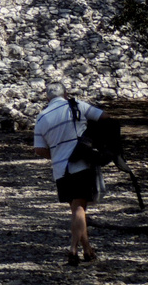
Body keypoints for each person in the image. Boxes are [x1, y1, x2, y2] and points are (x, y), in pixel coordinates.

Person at [34, 81, 108, 265]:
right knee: (80, 208)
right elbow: (105, 117)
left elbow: (39, 149)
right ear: (65, 93)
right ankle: (73, 250)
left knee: (76, 209)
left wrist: (57, 154)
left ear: (47, 97)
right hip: (80, 163)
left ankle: (88, 250)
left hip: (60, 169)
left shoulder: (42, 117)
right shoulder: (77, 105)